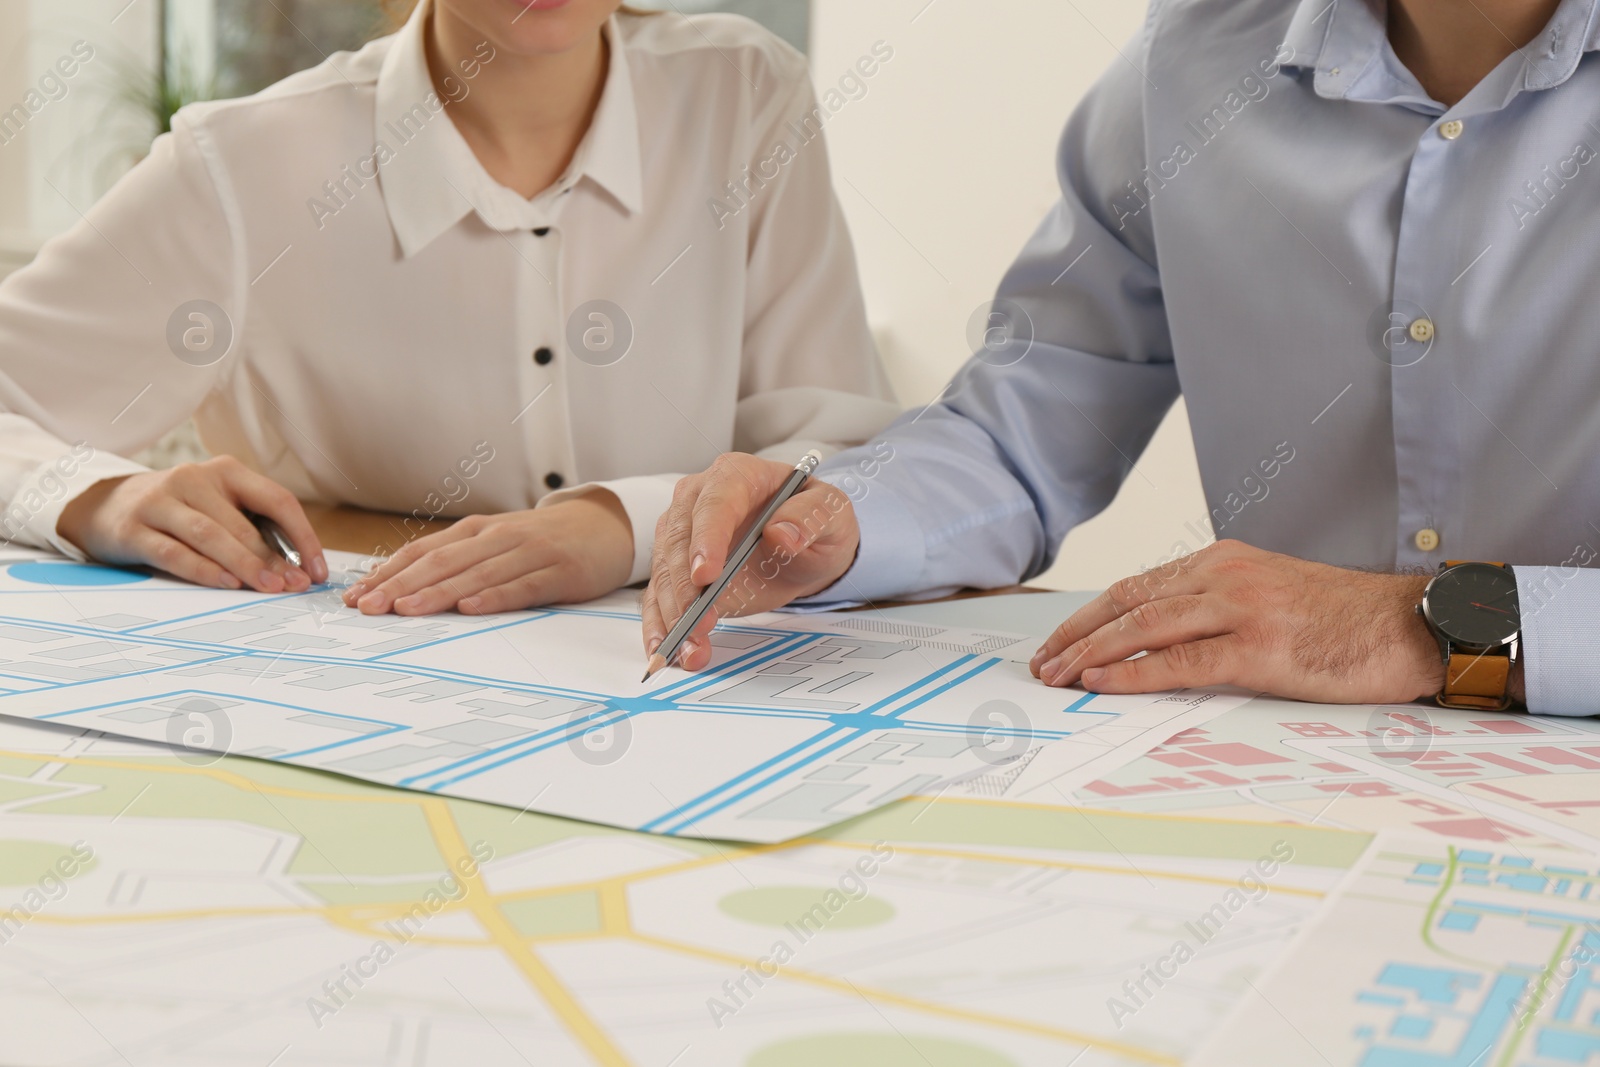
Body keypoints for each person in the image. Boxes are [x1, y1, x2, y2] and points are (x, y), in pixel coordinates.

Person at [643, 0, 1600, 717]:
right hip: (1288, 787)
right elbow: (1024, 431)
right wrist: (837, 523)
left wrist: (1421, 628)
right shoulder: (1194, 53)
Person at [0, 0, 896, 616]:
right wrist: (100, 499)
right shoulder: (243, 163)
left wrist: (618, 526)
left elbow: (849, 458)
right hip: (358, 685)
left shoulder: (746, 96)